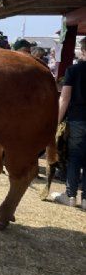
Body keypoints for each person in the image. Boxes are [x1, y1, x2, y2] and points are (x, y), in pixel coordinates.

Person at [53, 37, 86, 210]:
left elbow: (64, 98)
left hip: (77, 118)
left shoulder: (73, 70)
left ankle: (70, 195)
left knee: (74, 157)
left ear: (83, 50)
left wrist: (56, 122)